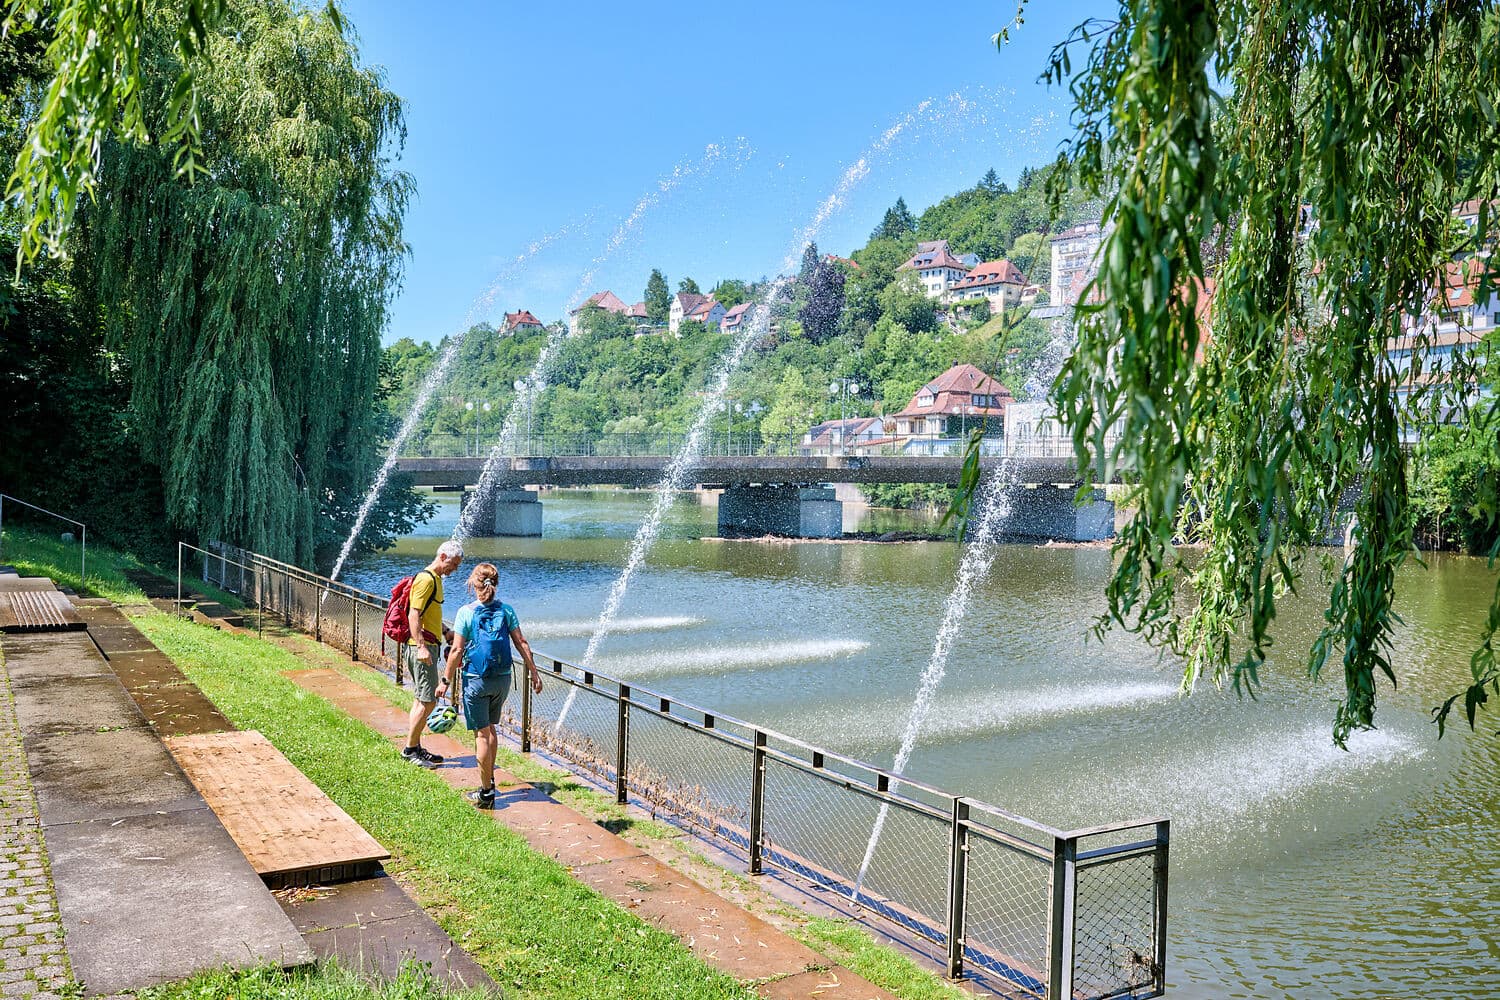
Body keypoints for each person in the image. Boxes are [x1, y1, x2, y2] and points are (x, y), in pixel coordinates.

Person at [440, 561, 542, 807]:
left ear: (473, 584)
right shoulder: (506, 610)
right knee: (491, 729)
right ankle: (491, 781)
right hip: (503, 679)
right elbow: (522, 643)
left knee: (481, 734)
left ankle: (486, 792)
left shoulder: (466, 612)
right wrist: (535, 673)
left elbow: (456, 650)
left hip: (476, 679)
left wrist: (445, 679)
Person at [401, 539, 463, 767]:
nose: (454, 569)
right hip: (422, 648)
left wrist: (446, 632)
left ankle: (415, 746)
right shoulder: (427, 579)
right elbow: (414, 615)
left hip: (430, 644)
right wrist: (421, 647)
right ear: (443, 556)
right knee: (427, 702)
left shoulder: (435, 580)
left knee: (421, 700)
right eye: (453, 564)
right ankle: (409, 750)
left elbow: (430, 614)